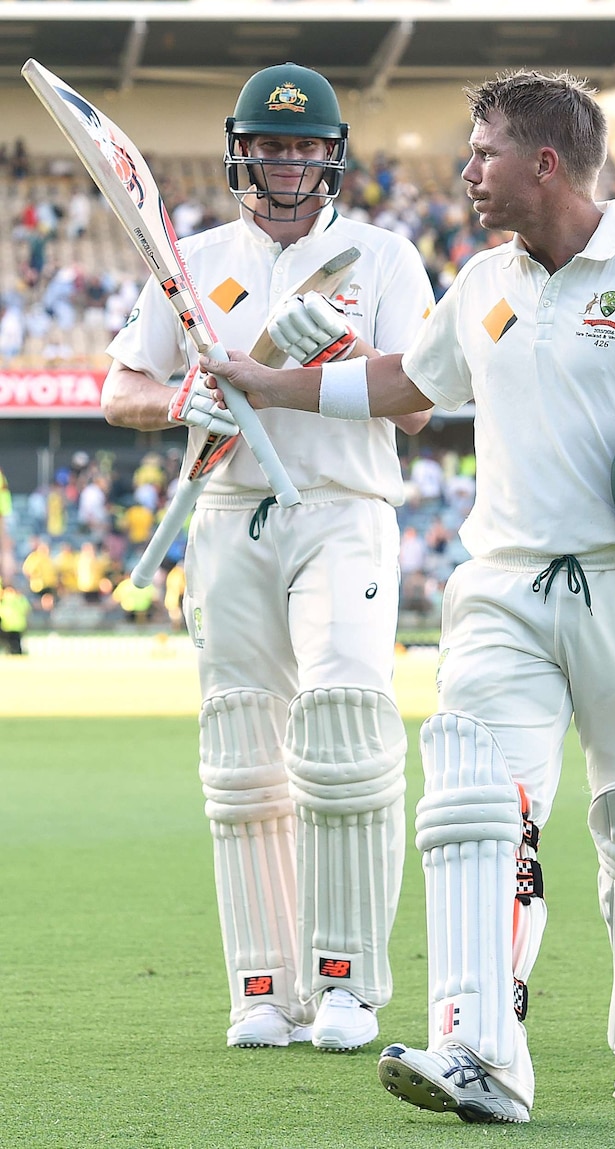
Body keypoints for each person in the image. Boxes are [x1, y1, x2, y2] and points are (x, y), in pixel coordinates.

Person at [200, 69, 615, 1122]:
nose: (466, 171)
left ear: (543, 163)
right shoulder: (483, 279)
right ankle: (478, 1049)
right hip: (498, 587)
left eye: (483, 152)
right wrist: (271, 385)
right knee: (476, 805)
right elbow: (407, 383)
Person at [101, 62, 435, 1054]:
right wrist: (178, 406)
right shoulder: (192, 257)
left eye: (302, 147)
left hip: (341, 508)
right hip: (228, 511)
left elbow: (416, 404)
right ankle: (262, 988)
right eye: (269, 146)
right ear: (239, 152)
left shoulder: (383, 259)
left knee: (341, 729)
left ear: (330, 157)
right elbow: (121, 384)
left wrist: (328, 356)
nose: (285, 163)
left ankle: (345, 986)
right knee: (242, 749)